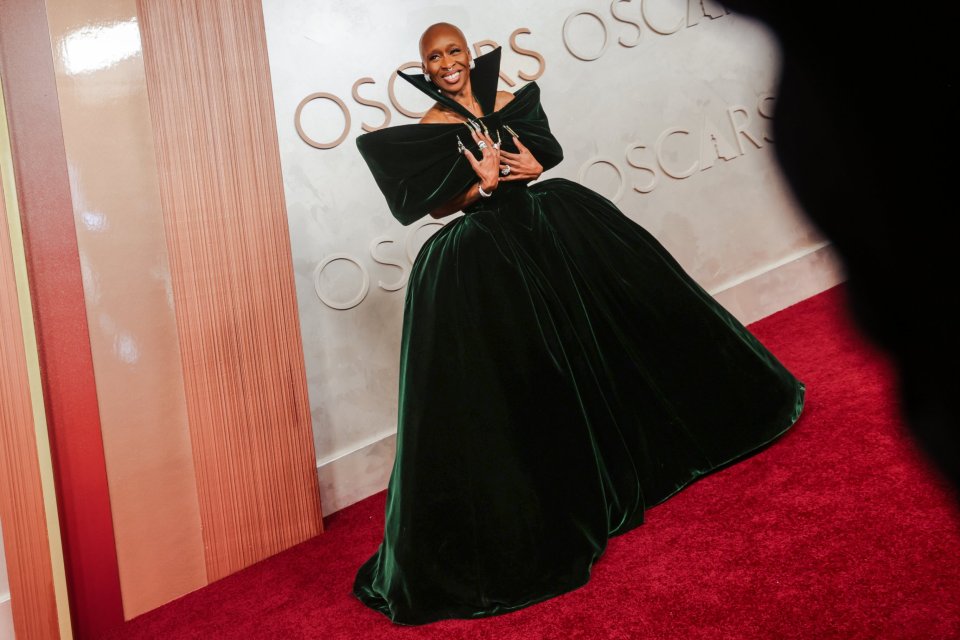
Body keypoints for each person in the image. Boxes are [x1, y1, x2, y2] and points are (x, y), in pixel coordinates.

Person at [351, 22, 805, 625]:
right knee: (529, 373)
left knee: (619, 325)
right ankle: (569, 494)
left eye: (454, 50)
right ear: (425, 70)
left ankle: (655, 451)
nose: (448, 62)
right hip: (490, 253)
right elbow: (433, 205)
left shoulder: (511, 101)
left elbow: (542, 158)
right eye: (435, 58)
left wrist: (529, 168)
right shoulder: (430, 131)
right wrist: (475, 187)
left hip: (549, 226)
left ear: (468, 53)